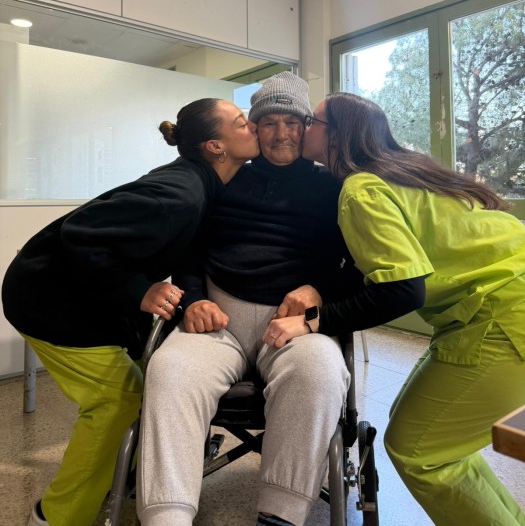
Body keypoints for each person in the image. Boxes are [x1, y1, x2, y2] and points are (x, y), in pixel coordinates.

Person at [138, 73, 382, 526]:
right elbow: (189, 251)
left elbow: (357, 264)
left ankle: (280, 514)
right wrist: (193, 299)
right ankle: (166, 515)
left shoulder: (333, 187)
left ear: (306, 127)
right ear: (254, 128)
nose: (281, 133)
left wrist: (319, 288)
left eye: (292, 122)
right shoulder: (223, 180)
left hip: (295, 326)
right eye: (269, 123)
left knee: (319, 371)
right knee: (169, 370)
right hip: (219, 319)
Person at [2, 97, 259, 526]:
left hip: (86, 294)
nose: (252, 125)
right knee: (119, 398)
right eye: (241, 122)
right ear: (216, 146)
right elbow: (79, 234)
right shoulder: (180, 193)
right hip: (47, 298)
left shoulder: (203, 183)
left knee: (150, 379)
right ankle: (55, 516)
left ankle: (127, 474)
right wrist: (138, 289)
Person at [301, 91, 525, 526]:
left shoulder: (360, 188)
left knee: (419, 450)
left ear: (337, 135)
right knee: (430, 440)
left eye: (312, 121)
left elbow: (402, 291)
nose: (303, 127)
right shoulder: (408, 170)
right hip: (496, 303)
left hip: (503, 315)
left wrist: (316, 321)